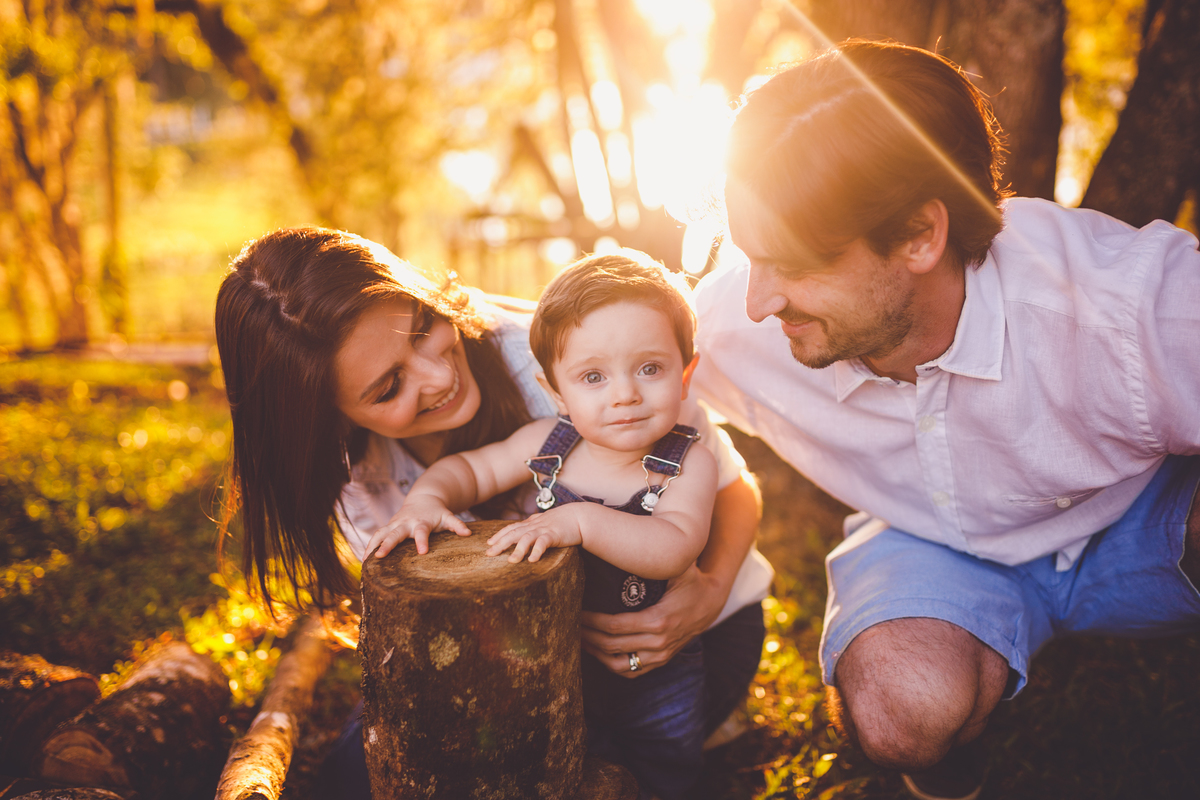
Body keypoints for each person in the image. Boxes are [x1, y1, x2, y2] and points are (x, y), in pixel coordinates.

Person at [692, 39, 1200, 800]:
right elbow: (563, 351)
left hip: (1139, 521)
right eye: (751, 258)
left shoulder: (1126, 305)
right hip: (928, 540)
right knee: (902, 716)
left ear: (921, 236)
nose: (760, 300)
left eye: (795, 265)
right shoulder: (736, 323)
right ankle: (952, 767)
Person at [213, 228, 773, 799]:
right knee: (355, 778)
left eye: (424, 329)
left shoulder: (593, 352)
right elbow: (464, 494)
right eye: (389, 388)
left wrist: (708, 592)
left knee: (640, 766)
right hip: (545, 661)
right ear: (333, 420)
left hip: (690, 635)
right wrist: (425, 504)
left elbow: (734, 490)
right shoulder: (356, 474)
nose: (438, 376)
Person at [375, 252, 726, 798]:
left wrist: (581, 520)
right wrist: (425, 499)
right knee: (568, 761)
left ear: (685, 372)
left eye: (650, 368)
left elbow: (674, 547)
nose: (625, 393)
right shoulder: (545, 444)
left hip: (658, 671)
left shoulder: (687, 463)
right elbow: (467, 471)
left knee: (666, 763)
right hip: (556, 662)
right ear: (557, 391)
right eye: (593, 376)